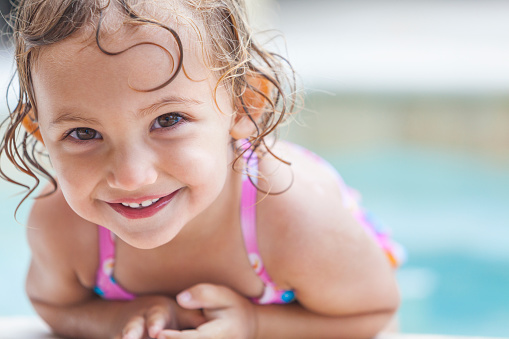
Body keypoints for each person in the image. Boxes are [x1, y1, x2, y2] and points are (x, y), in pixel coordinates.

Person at [0, 0, 404, 338]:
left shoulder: (293, 219)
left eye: (168, 120)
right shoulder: (62, 225)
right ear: (39, 129)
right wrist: (118, 317)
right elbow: (51, 303)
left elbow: (374, 311)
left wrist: (254, 324)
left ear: (245, 104)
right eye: (83, 133)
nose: (130, 176)